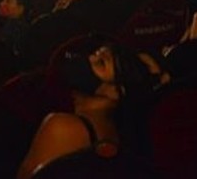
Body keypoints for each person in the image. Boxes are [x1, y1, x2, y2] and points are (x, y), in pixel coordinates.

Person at [16, 40, 152, 178]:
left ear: (116, 91)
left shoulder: (65, 127)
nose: (90, 58)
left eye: (101, 63)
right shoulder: (119, 131)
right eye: (93, 54)